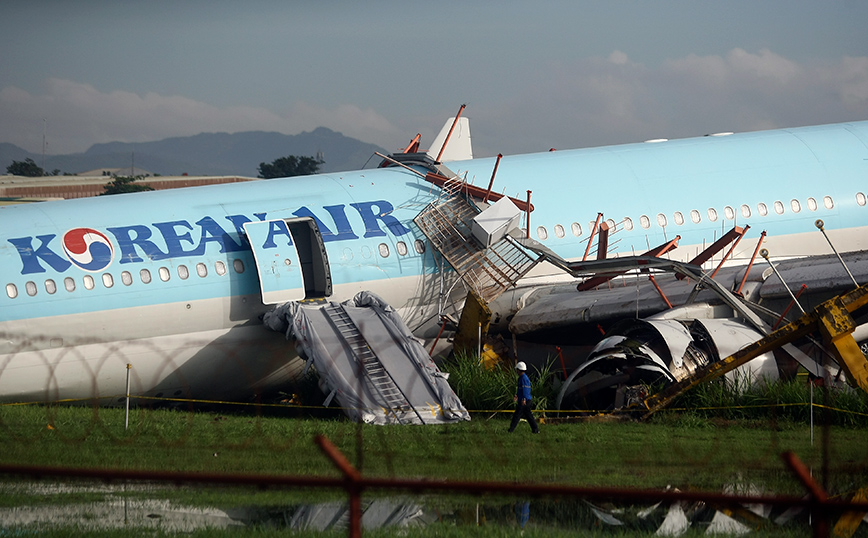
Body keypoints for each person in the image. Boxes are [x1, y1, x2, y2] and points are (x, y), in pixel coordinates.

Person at [508, 362, 539, 433]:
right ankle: (535, 429)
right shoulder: (522, 378)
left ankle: (511, 430)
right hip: (525, 400)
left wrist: (523, 399)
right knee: (528, 416)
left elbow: (525, 390)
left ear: (519, 370)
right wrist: (517, 395)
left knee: (517, 416)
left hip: (525, 401)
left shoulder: (523, 378)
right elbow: (520, 389)